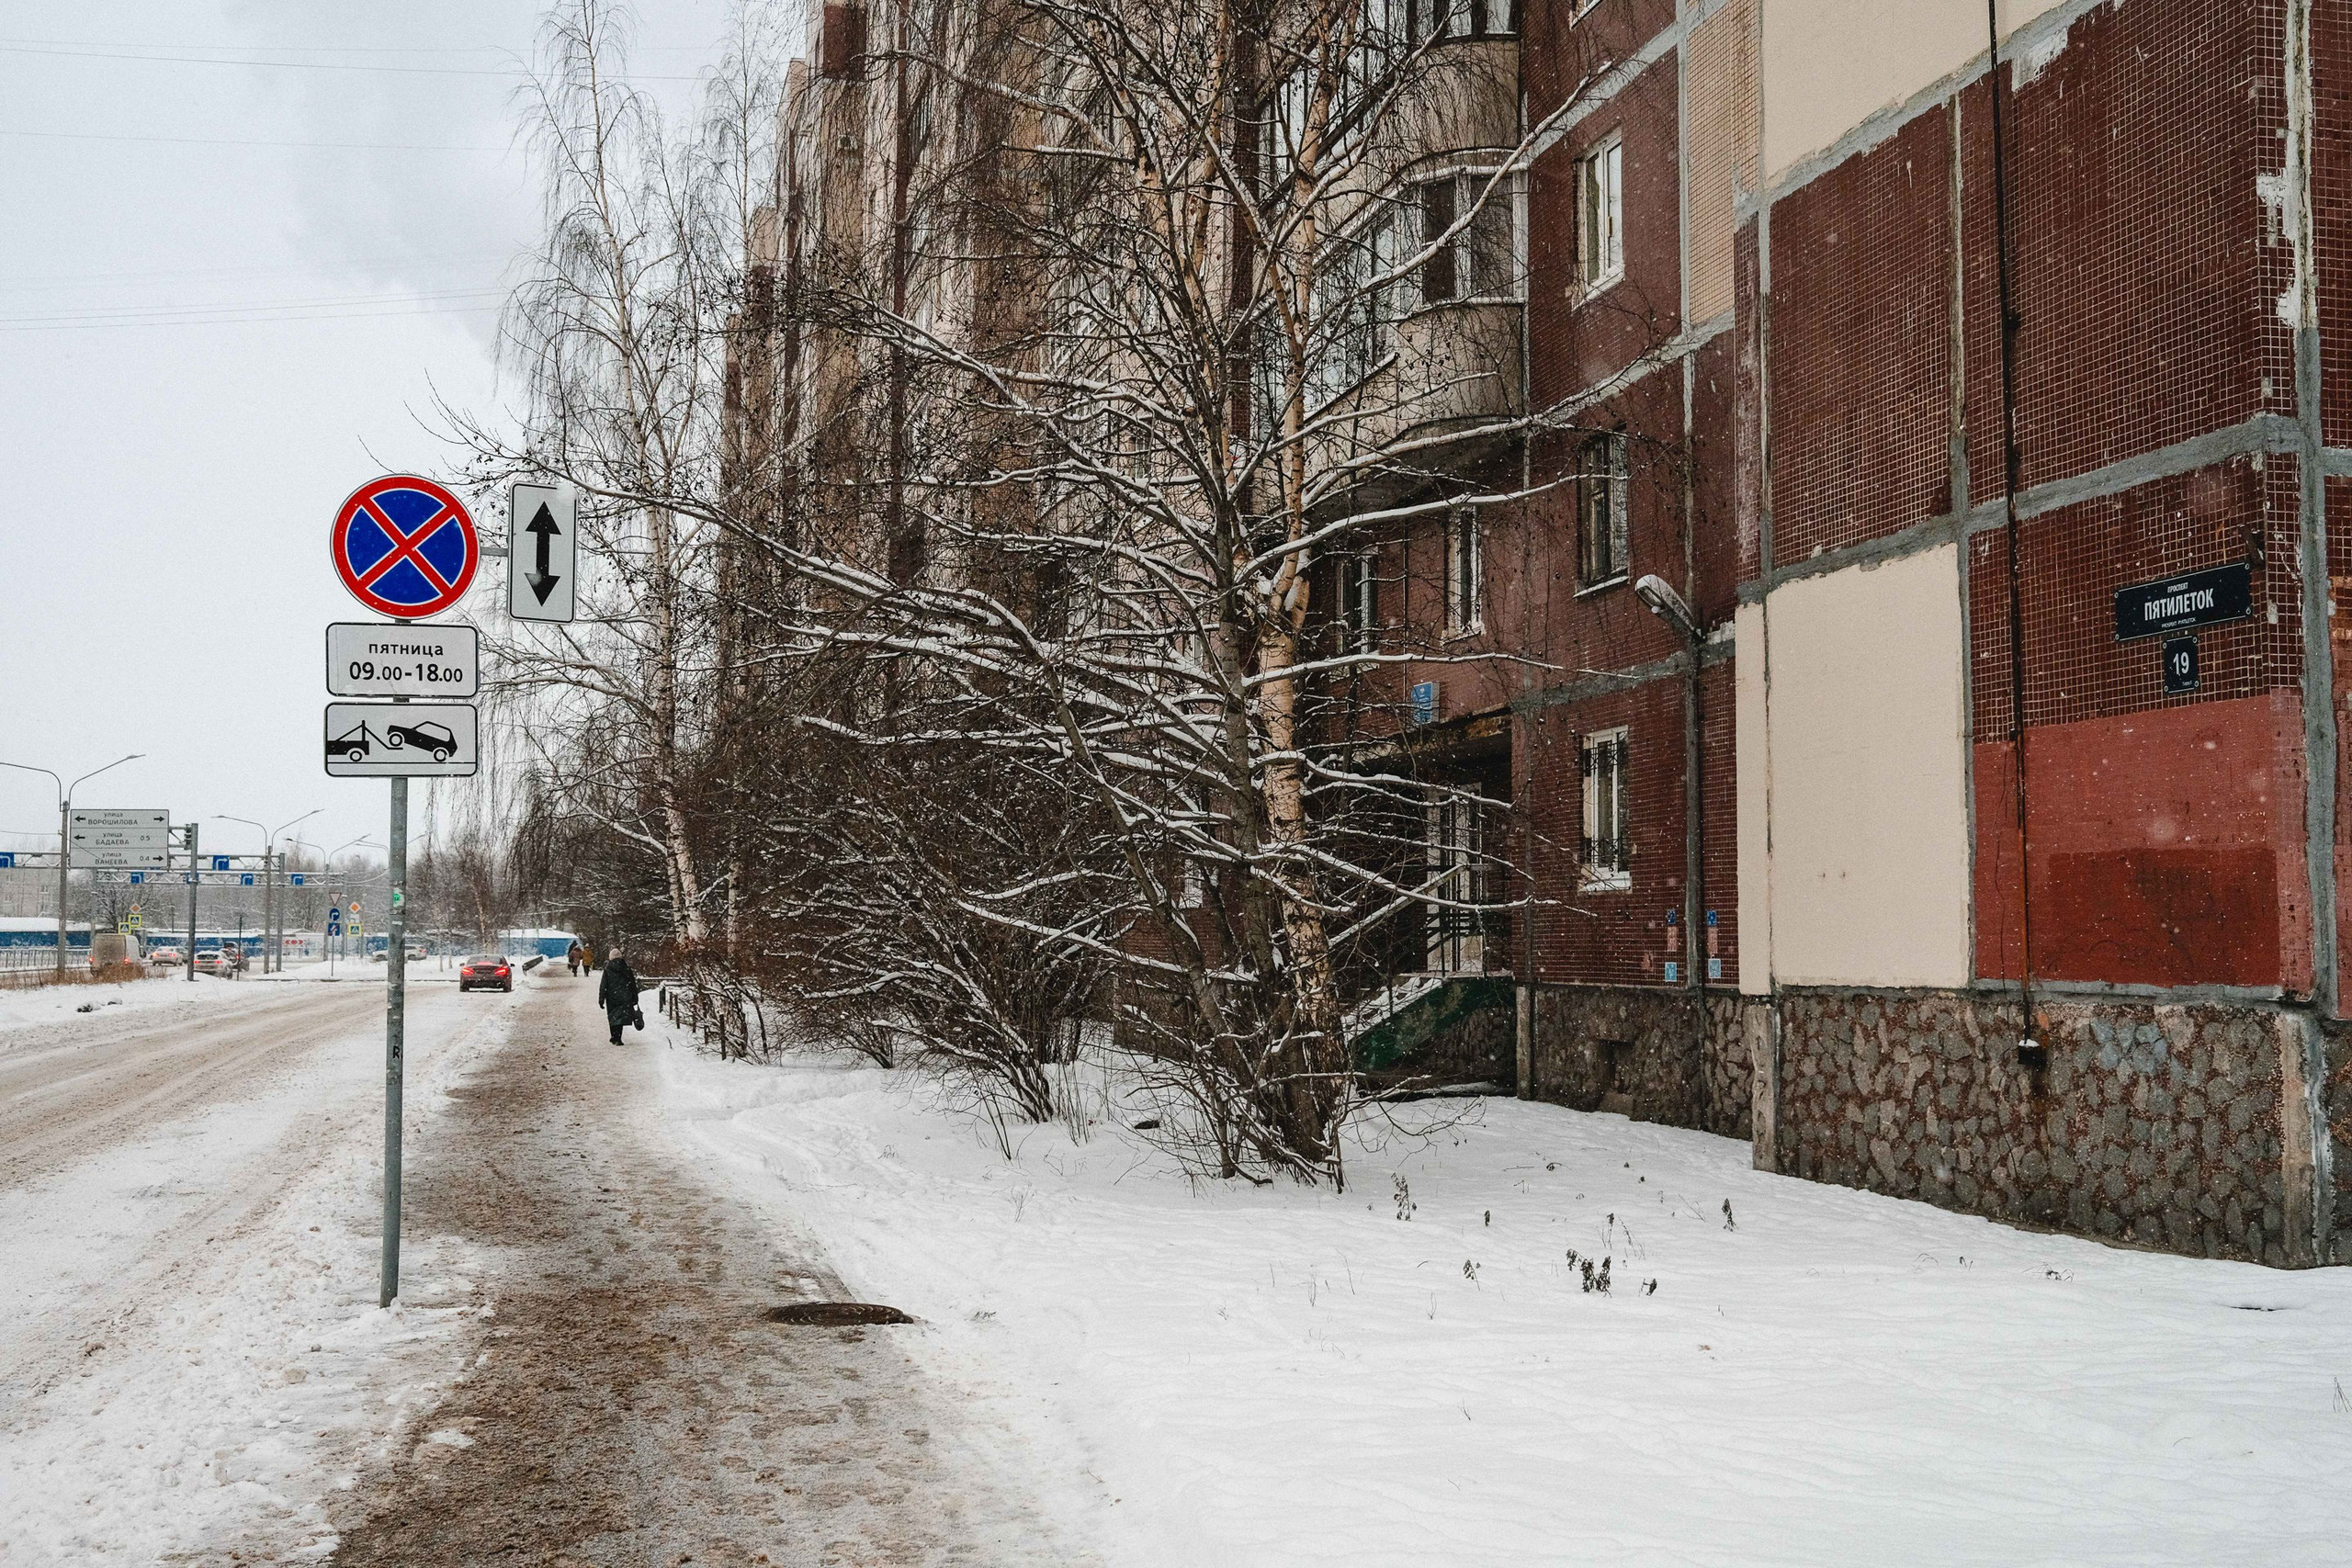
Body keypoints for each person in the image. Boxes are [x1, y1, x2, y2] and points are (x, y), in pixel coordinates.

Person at [596, 946, 640, 1046]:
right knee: (620, 1017)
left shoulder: (608, 969)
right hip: (625, 996)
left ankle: (614, 1036)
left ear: (610, 957)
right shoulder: (626, 968)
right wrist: (635, 997)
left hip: (612, 997)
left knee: (613, 1017)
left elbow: (603, 985)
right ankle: (618, 1038)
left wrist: (601, 999)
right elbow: (632, 983)